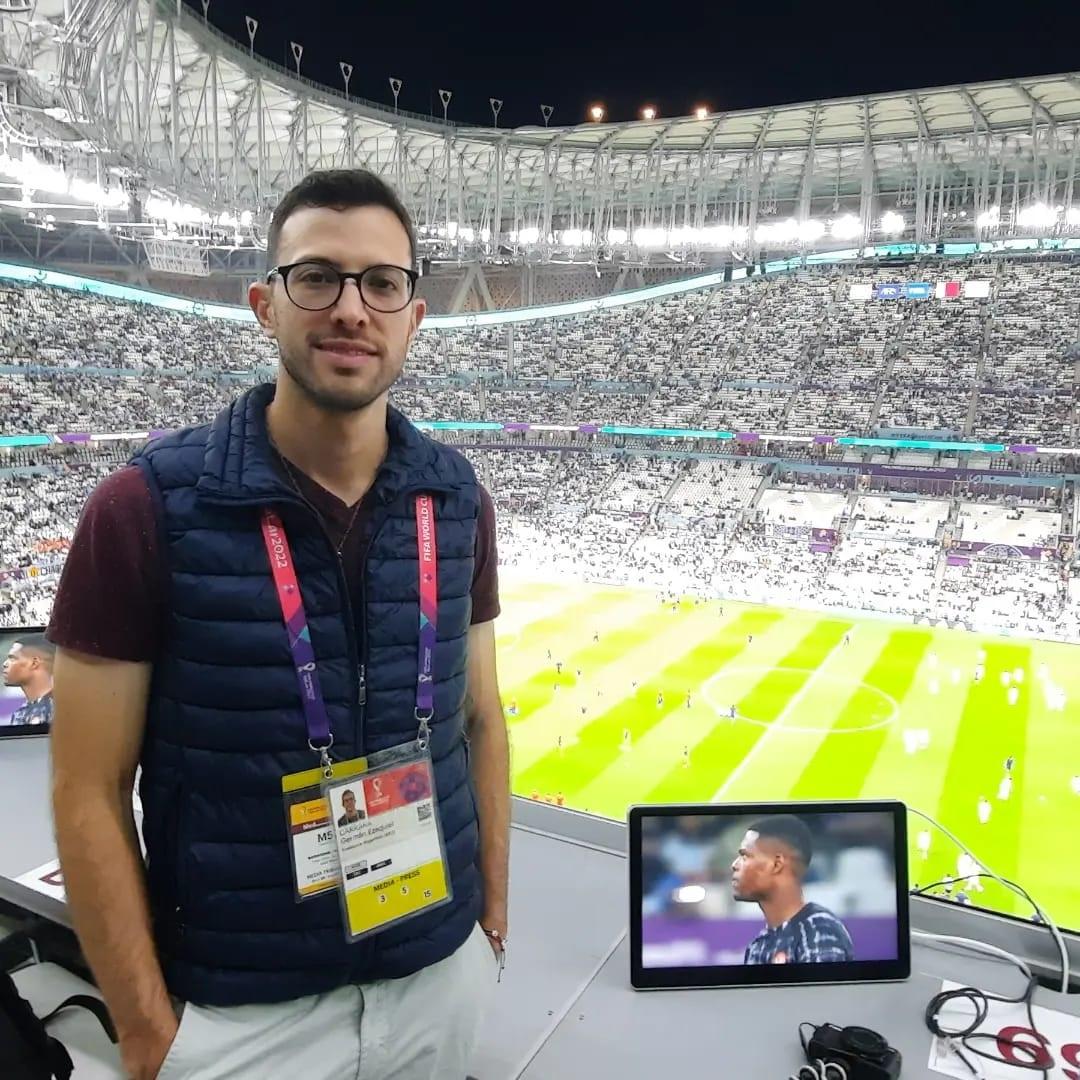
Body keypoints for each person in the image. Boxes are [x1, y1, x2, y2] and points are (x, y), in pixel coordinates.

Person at [47, 170, 509, 1080]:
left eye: (382, 283)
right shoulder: (141, 509)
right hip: (240, 1016)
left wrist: (490, 914)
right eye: (317, 277)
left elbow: (482, 719)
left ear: (414, 316)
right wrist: (146, 1029)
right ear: (265, 305)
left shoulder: (458, 500)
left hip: (437, 978)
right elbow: (86, 787)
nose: (352, 308)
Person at [731, 816, 855, 965]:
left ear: (777, 864)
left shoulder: (818, 929)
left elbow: (822, 982)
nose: (734, 864)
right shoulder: (758, 946)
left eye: (745, 856)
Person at [2, 634, 56, 726]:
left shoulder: (60, 708)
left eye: (12, 658)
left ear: (34, 663)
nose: (5, 664)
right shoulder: (21, 712)